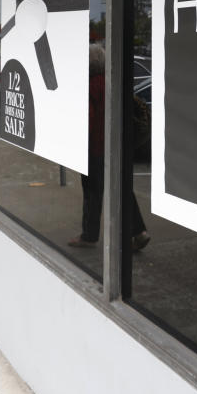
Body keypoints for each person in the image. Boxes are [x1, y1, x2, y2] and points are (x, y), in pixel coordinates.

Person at [69, 44, 150, 251]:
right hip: (117, 146)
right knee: (122, 189)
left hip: (95, 148)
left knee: (93, 193)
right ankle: (139, 232)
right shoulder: (113, 81)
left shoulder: (90, 86)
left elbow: (88, 119)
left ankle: (89, 235)